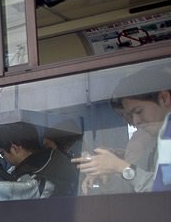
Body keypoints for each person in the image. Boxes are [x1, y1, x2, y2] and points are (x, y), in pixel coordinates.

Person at [73, 62, 171, 192]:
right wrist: (111, 168)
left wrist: (120, 167)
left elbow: (164, 192)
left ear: (164, 98)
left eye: (139, 111)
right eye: (129, 115)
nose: (135, 122)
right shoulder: (160, 138)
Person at [0, 121, 78, 196]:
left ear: (14, 149)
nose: (4, 158)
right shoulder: (58, 158)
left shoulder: (26, 182)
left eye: (2, 153)